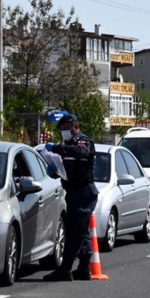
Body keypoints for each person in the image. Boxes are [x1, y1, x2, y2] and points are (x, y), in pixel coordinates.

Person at [43, 114, 98, 282]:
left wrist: (58, 148)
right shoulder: (68, 145)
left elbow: (82, 152)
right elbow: (68, 169)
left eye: (67, 129)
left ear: (76, 126)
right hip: (74, 192)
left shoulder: (83, 141)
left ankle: (65, 269)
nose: (64, 132)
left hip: (83, 192)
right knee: (81, 233)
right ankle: (83, 269)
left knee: (75, 233)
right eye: (62, 130)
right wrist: (55, 171)